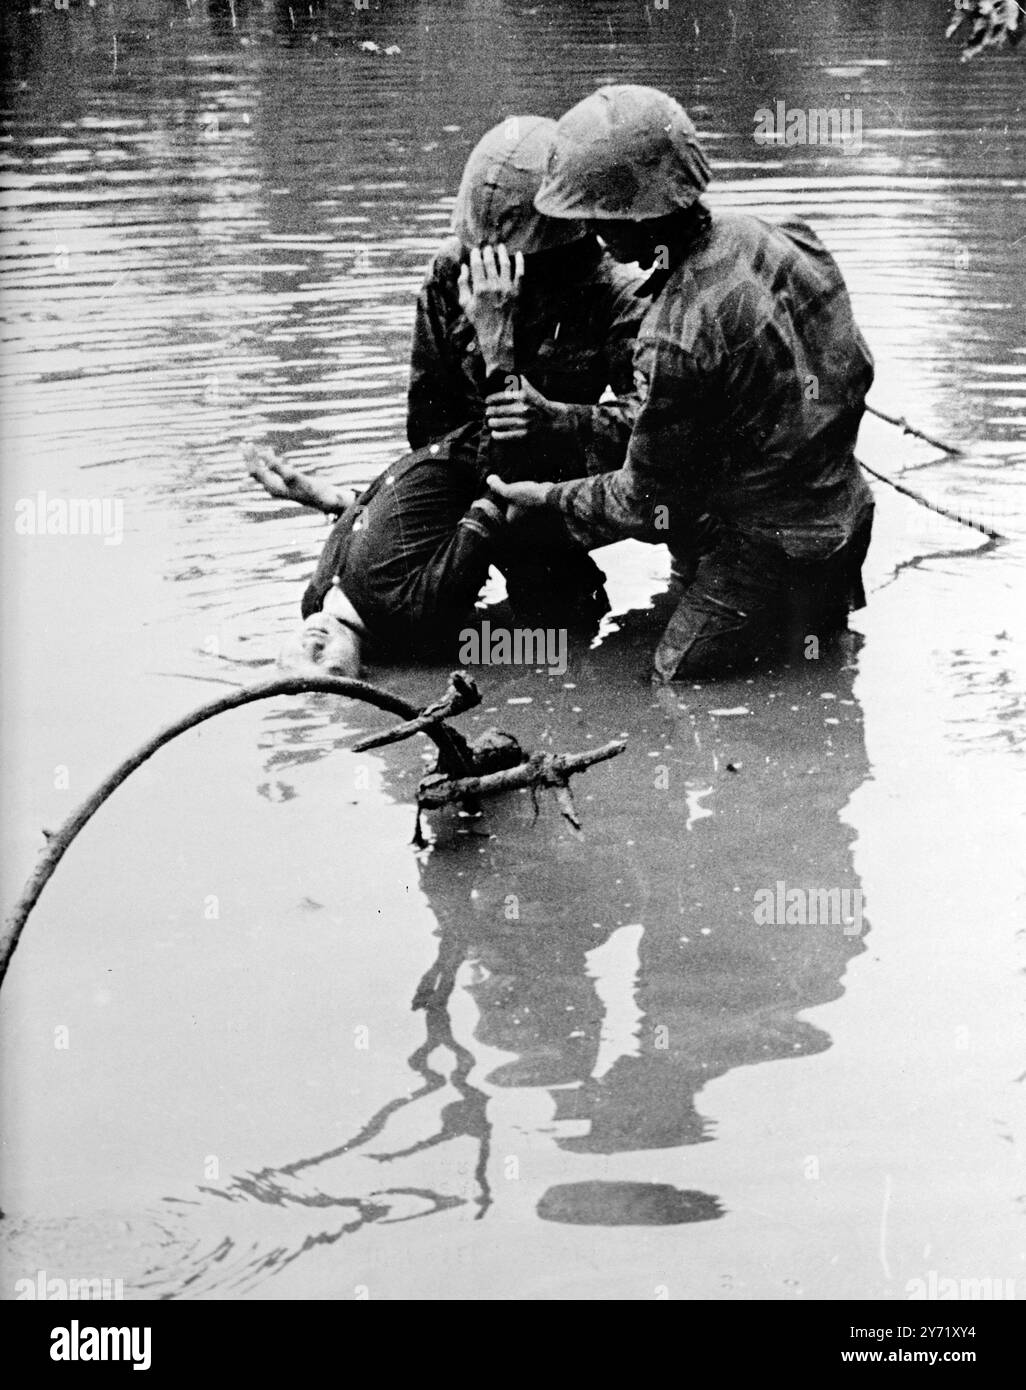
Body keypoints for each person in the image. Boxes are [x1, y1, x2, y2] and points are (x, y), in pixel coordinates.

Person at [489, 85, 876, 681]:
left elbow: (643, 499)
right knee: (823, 668)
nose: (591, 232)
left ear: (636, 215)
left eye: (596, 214)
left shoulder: (676, 330)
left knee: (670, 693)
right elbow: (840, 377)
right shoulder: (781, 235)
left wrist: (546, 501)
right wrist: (564, 418)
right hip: (845, 519)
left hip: (771, 554)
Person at [249, 115, 646, 675]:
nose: (489, 266)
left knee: (570, 623)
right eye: (480, 249)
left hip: (591, 481)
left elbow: (655, 431)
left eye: (514, 253)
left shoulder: (616, 291)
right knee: (501, 635)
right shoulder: (451, 273)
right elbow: (432, 435)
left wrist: (554, 416)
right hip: (486, 478)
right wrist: (420, 566)